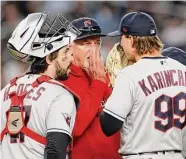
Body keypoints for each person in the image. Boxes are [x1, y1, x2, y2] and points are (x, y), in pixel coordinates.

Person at [100, 11, 186, 159]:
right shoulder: (182, 70)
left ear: (131, 39)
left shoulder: (130, 74)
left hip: (141, 155)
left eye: (122, 38)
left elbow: (109, 126)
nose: (120, 43)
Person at [0, 12, 80, 159]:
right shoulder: (59, 95)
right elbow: (56, 151)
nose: (71, 56)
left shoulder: (4, 91)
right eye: (66, 51)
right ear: (49, 58)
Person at [60, 17, 121, 159]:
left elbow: (120, 119)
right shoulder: (62, 80)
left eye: (97, 43)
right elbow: (75, 128)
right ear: (70, 48)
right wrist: (98, 83)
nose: (93, 49)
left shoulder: (105, 74)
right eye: (86, 44)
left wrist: (101, 81)